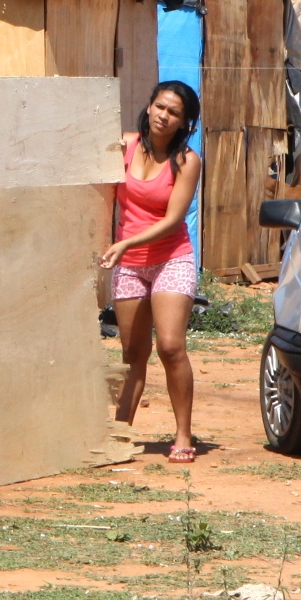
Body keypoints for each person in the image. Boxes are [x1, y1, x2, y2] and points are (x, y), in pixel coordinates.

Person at [101, 80, 204, 463]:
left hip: (171, 256)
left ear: (184, 122)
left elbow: (174, 218)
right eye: (160, 107)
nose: (164, 116)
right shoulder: (122, 146)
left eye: (174, 112)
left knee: (171, 346)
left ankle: (182, 434)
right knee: (133, 354)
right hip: (129, 263)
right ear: (148, 107)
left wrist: (126, 242)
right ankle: (120, 433)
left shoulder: (186, 161)